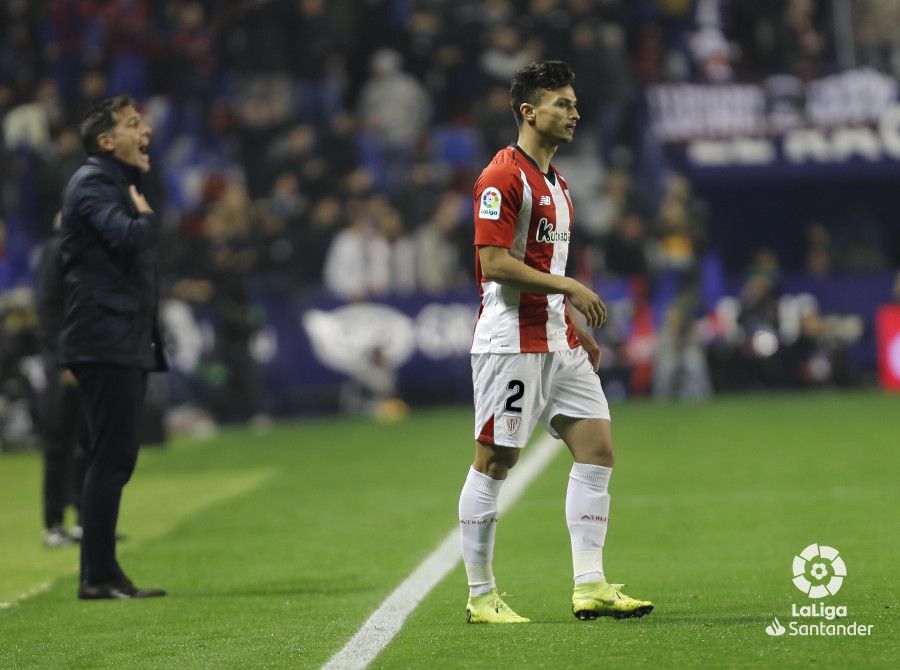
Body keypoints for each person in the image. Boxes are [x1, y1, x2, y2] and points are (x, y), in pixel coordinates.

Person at [460, 61, 653, 624]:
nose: (574, 113)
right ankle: (480, 595)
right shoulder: (501, 178)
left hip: (556, 339)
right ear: (529, 112)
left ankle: (589, 584)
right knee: (496, 460)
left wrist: (571, 324)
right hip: (510, 344)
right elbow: (494, 264)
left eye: (574, 104)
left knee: (597, 450)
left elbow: (538, 268)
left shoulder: (558, 185)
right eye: (562, 104)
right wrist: (568, 285)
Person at [59, 95, 167, 599]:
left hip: (116, 336)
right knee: (110, 456)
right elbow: (126, 237)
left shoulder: (114, 181)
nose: (144, 130)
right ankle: (98, 576)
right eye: (132, 124)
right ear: (107, 141)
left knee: (114, 454)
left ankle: (101, 573)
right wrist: (145, 219)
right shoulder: (95, 183)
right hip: (105, 339)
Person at [35, 212, 88, 548]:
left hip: (89, 358)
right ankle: (54, 522)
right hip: (65, 363)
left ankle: (85, 518)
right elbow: (50, 309)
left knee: (90, 440)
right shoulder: (58, 250)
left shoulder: (83, 250)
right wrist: (62, 359)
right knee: (60, 441)